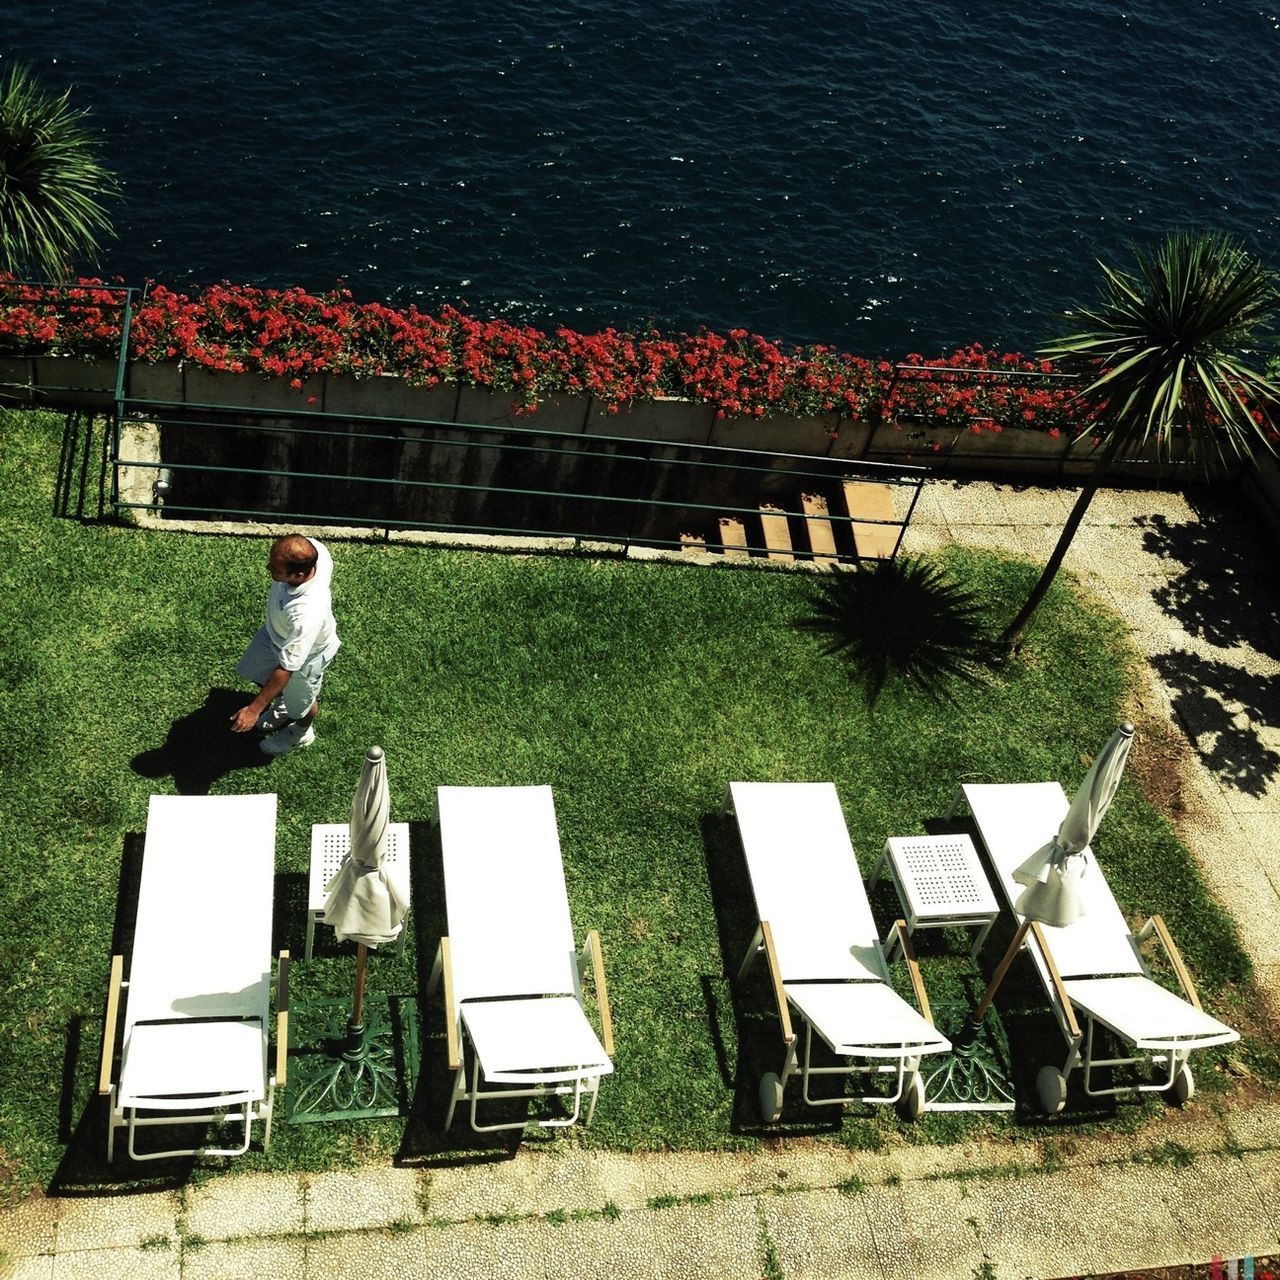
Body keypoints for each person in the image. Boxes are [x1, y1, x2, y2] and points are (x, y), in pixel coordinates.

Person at [230, 534, 341, 756]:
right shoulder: (314, 550)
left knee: (302, 705)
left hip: (306, 655)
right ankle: (281, 704)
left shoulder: (307, 613)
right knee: (254, 671)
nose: (268, 567)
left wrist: (254, 710)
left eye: (275, 568)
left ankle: (300, 732)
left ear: (298, 575)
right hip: (275, 634)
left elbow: (287, 668)